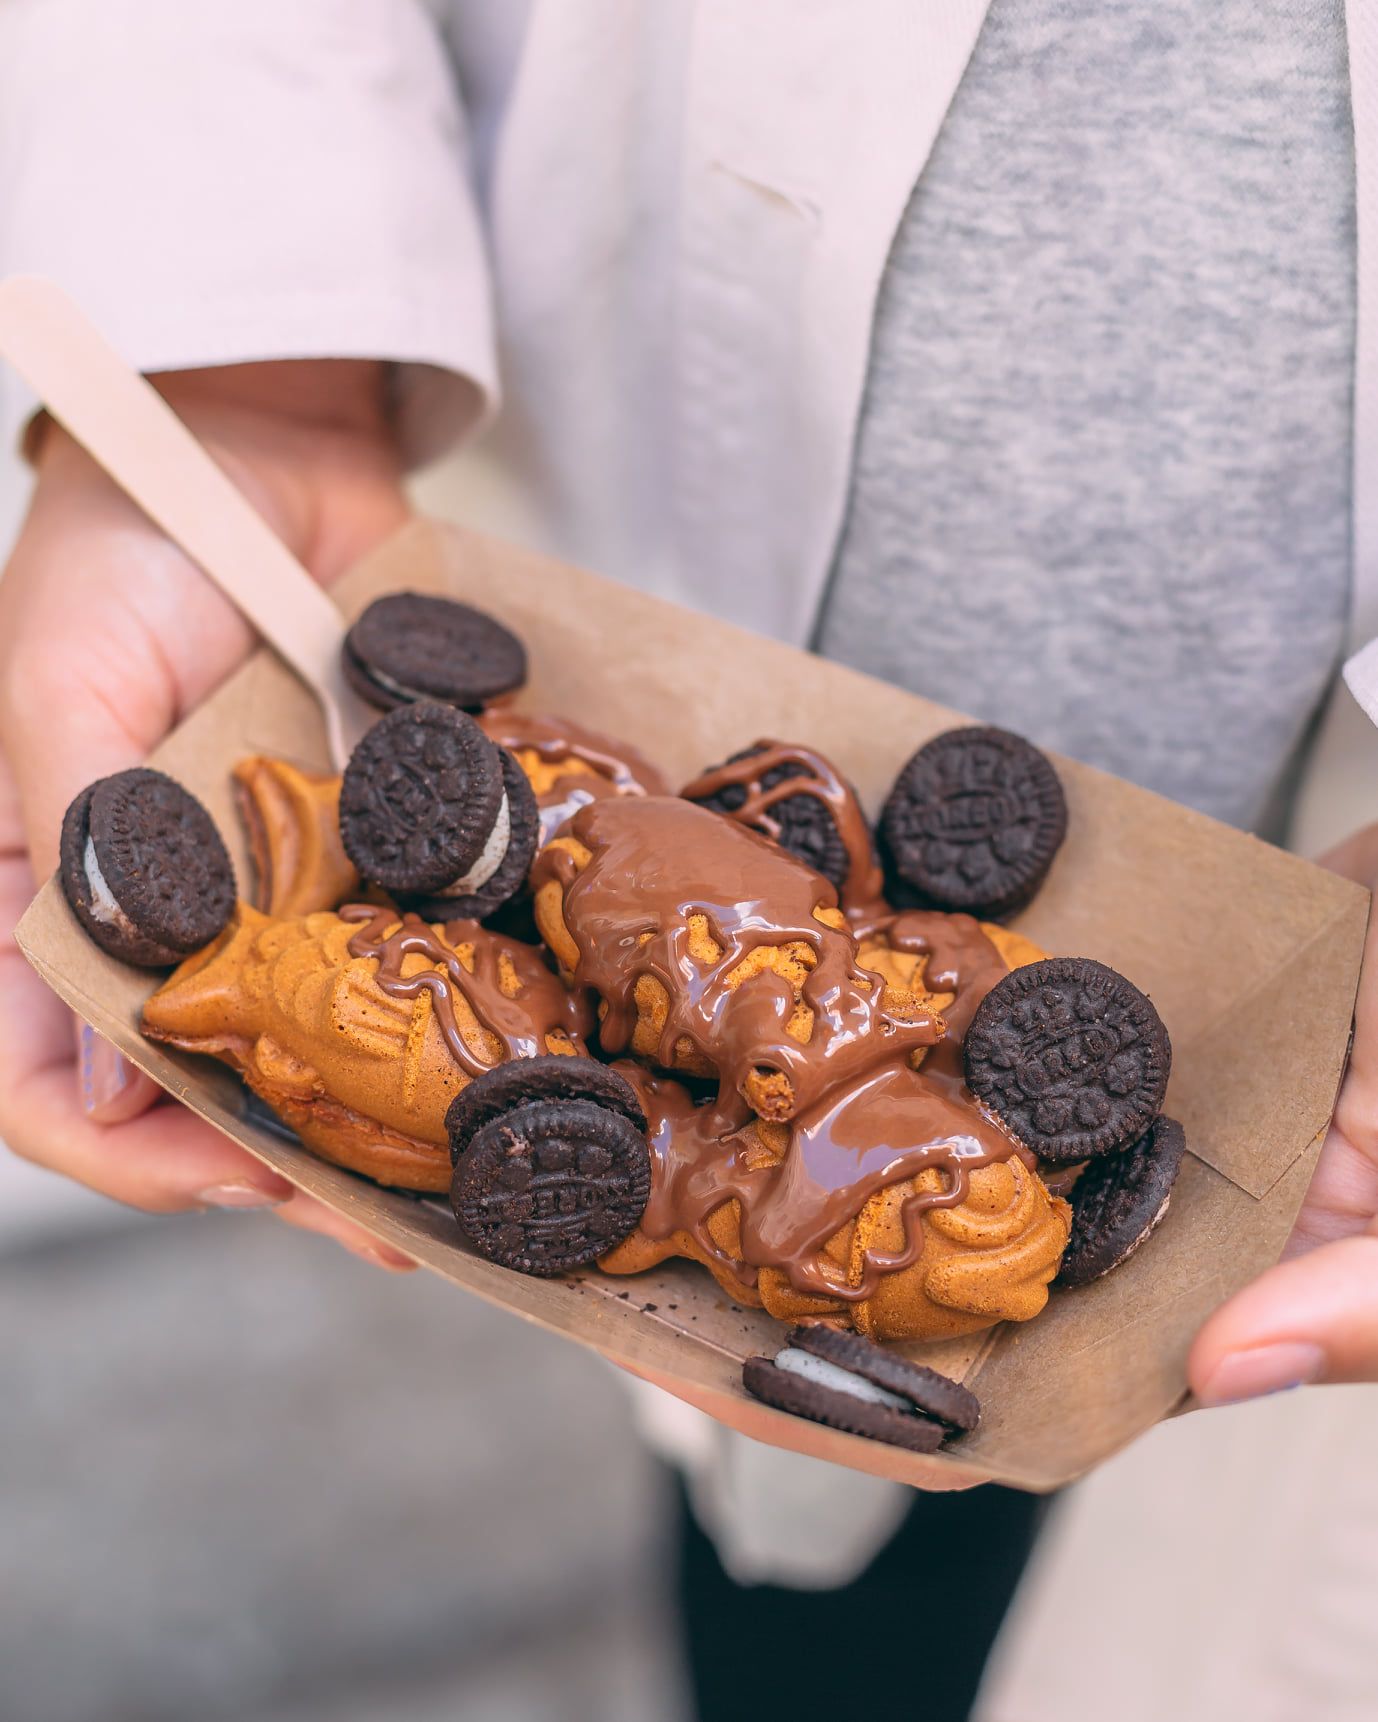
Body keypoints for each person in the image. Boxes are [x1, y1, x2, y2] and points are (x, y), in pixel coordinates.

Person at [0, 4, 1375, 1717]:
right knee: (793, 1583)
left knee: (1197, 1612)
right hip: (619, 491)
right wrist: (246, 366)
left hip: (1307, 903)